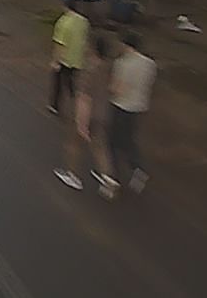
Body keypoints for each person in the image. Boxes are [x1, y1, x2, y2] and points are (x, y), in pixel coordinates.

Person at [54, 36, 119, 194]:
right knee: (99, 147)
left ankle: (72, 175)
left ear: (94, 49)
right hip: (102, 113)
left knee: (73, 144)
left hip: (87, 114)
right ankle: (108, 177)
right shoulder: (108, 68)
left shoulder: (89, 69)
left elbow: (83, 97)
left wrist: (81, 122)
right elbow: (113, 89)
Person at [108, 30, 157, 194]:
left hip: (121, 106)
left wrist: (109, 90)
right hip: (139, 107)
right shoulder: (150, 63)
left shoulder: (122, 63)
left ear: (125, 45)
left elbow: (117, 89)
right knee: (129, 139)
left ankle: (114, 176)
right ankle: (137, 169)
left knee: (113, 141)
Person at [49, 0, 90, 116]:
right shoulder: (84, 21)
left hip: (64, 59)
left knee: (58, 83)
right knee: (72, 81)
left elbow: (59, 44)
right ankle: (76, 101)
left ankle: (55, 106)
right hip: (78, 58)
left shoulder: (63, 22)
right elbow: (85, 39)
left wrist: (55, 61)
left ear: (65, 6)